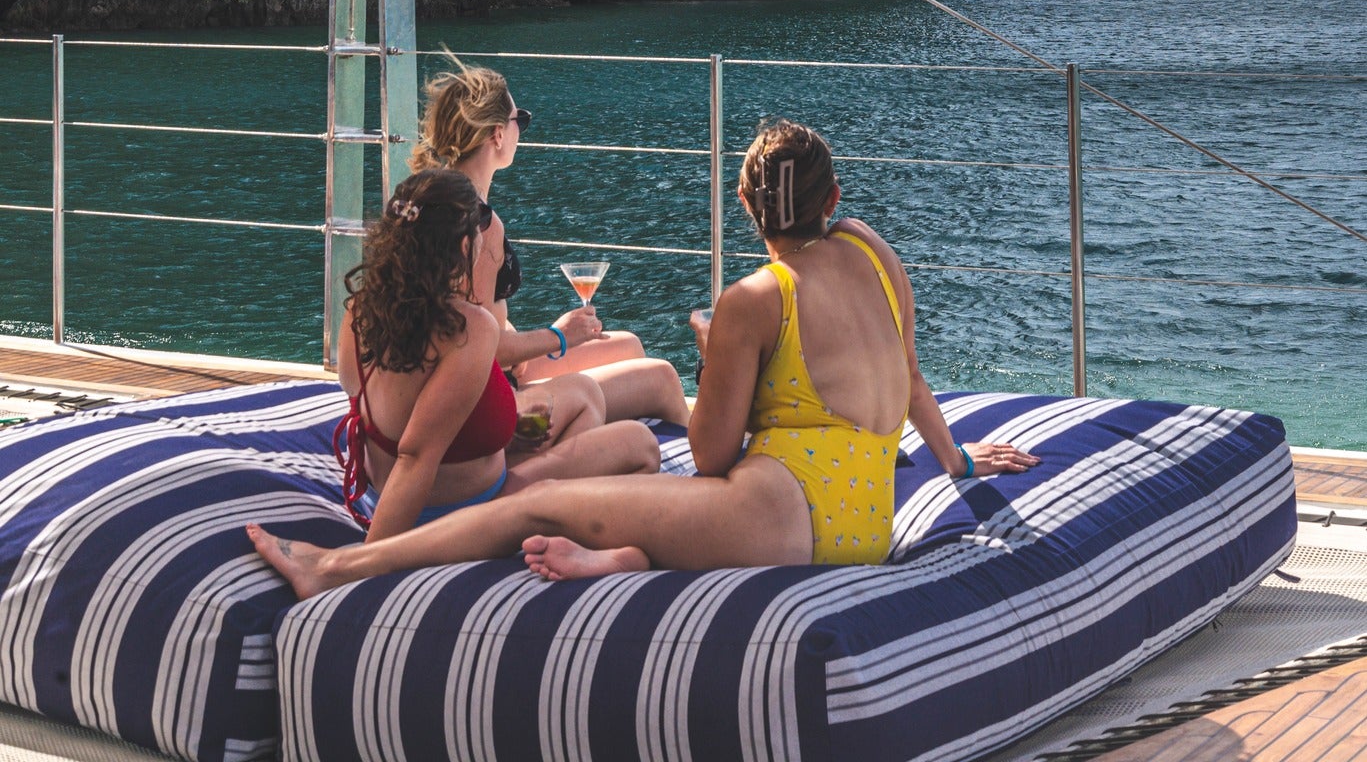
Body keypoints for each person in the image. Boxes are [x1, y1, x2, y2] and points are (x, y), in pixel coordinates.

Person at [251, 119, 1039, 586]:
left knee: (530, 506)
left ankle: (337, 572)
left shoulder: (754, 300)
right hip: (866, 518)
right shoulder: (871, 249)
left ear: (742, 204)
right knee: (627, 469)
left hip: (776, 518)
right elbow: (907, 373)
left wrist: (716, 357)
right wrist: (959, 463)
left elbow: (707, 454)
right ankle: (623, 556)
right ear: (834, 202)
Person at [330, 167, 660, 540]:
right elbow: (416, 456)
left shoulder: (360, 307)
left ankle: (556, 506)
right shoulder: (467, 327)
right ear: (464, 246)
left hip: (382, 486)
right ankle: (547, 514)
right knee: (639, 443)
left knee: (583, 392)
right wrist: (367, 563)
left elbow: (366, 393)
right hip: (456, 510)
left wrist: (499, 432)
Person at [411, 59, 690, 427]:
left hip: (466, 370)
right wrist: (560, 335)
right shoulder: (479, 224)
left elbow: (459, 312)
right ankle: (696, 470)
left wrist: (518, 334)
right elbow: (478, 346)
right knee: (664, 378)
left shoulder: (429, 197)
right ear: (497, 134)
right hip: (484, 393)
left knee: (628, 346)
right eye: (519, 121)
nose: (520, 131)